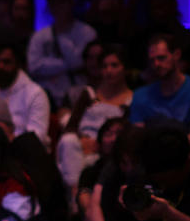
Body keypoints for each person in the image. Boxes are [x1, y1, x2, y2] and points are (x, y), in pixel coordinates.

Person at [56, 44, 133, 191]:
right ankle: (75, 196)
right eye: (104, 66)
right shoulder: (88, 93)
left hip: (107, 148)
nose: (108, 71)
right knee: (68, 141)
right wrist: (82, 138)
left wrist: (99, 144)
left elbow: (126, 134)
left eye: (114, 65)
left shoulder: (131, 100)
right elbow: (70, 127)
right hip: (81, 146)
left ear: (125, 68)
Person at [130, 34, 190, 145]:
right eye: (152, 60)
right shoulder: (140, 95)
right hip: (151, 155)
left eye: (161, 58)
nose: (156, 64)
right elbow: (137, 136)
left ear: (176, 55)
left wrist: (169, 150)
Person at [27, 0, 98, 106]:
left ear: (71, 3)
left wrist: (49, 64)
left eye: (62, 2)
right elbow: (34, 66)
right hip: (49, 98)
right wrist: (67, 65)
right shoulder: (39, 36)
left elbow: (80, 62)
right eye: (53, 3)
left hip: (80, 97)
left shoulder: (87, 32)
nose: (57, 7)